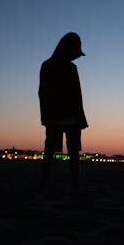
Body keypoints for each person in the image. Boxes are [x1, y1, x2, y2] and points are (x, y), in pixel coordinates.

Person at [39, 32, 88, 190]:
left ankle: (44, 183)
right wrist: (81, 120)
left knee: (49, 152)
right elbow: (77, 96)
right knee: (73, 154)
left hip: (52, 117)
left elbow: (42, 94)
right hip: (70, 118)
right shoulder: (71, 68)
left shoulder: (46, 65)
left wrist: (45, 117)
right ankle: (75, 185)